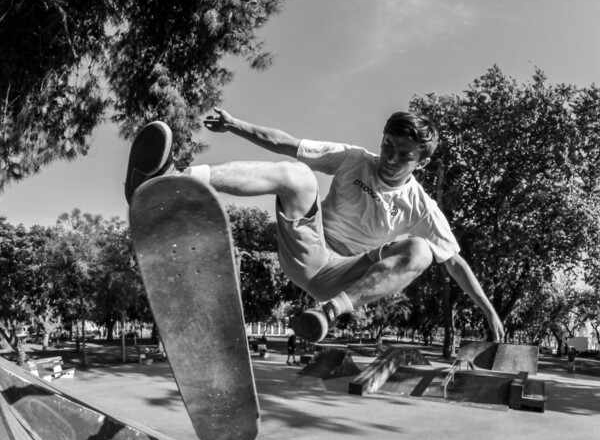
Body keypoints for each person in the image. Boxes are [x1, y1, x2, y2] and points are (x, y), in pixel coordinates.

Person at [125, 110, 504, 343]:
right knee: (299, 176)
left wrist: (488, 311)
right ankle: (171, 183)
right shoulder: (354, 159)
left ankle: (327, 313)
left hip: (343, 278)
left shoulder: (422, 207)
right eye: (388, 146)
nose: (391, 159)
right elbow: (286, 144)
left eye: (404, 156)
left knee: (420, 250)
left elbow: (454, 262)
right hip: (308, 248)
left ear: (420, 162)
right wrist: (236, 125)